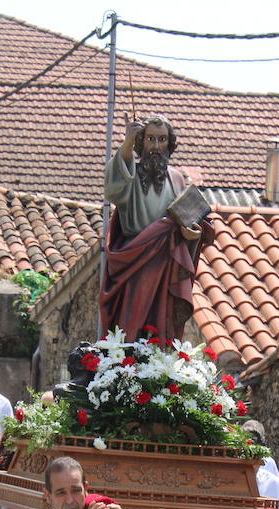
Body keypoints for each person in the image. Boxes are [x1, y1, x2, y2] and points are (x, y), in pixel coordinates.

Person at [100, 115, 208, 340]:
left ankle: (160, 364)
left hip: (166, 262)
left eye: (162, 140)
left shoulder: (177, 179)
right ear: (142, 142)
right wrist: (127, 143)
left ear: (170, 144)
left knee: (162, 324)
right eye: (150, 139)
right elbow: (112, 190)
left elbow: (185, 218)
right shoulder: (130, 175)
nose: (157, 146)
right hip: (135, 261)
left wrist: (191, 235)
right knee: (132, 322)